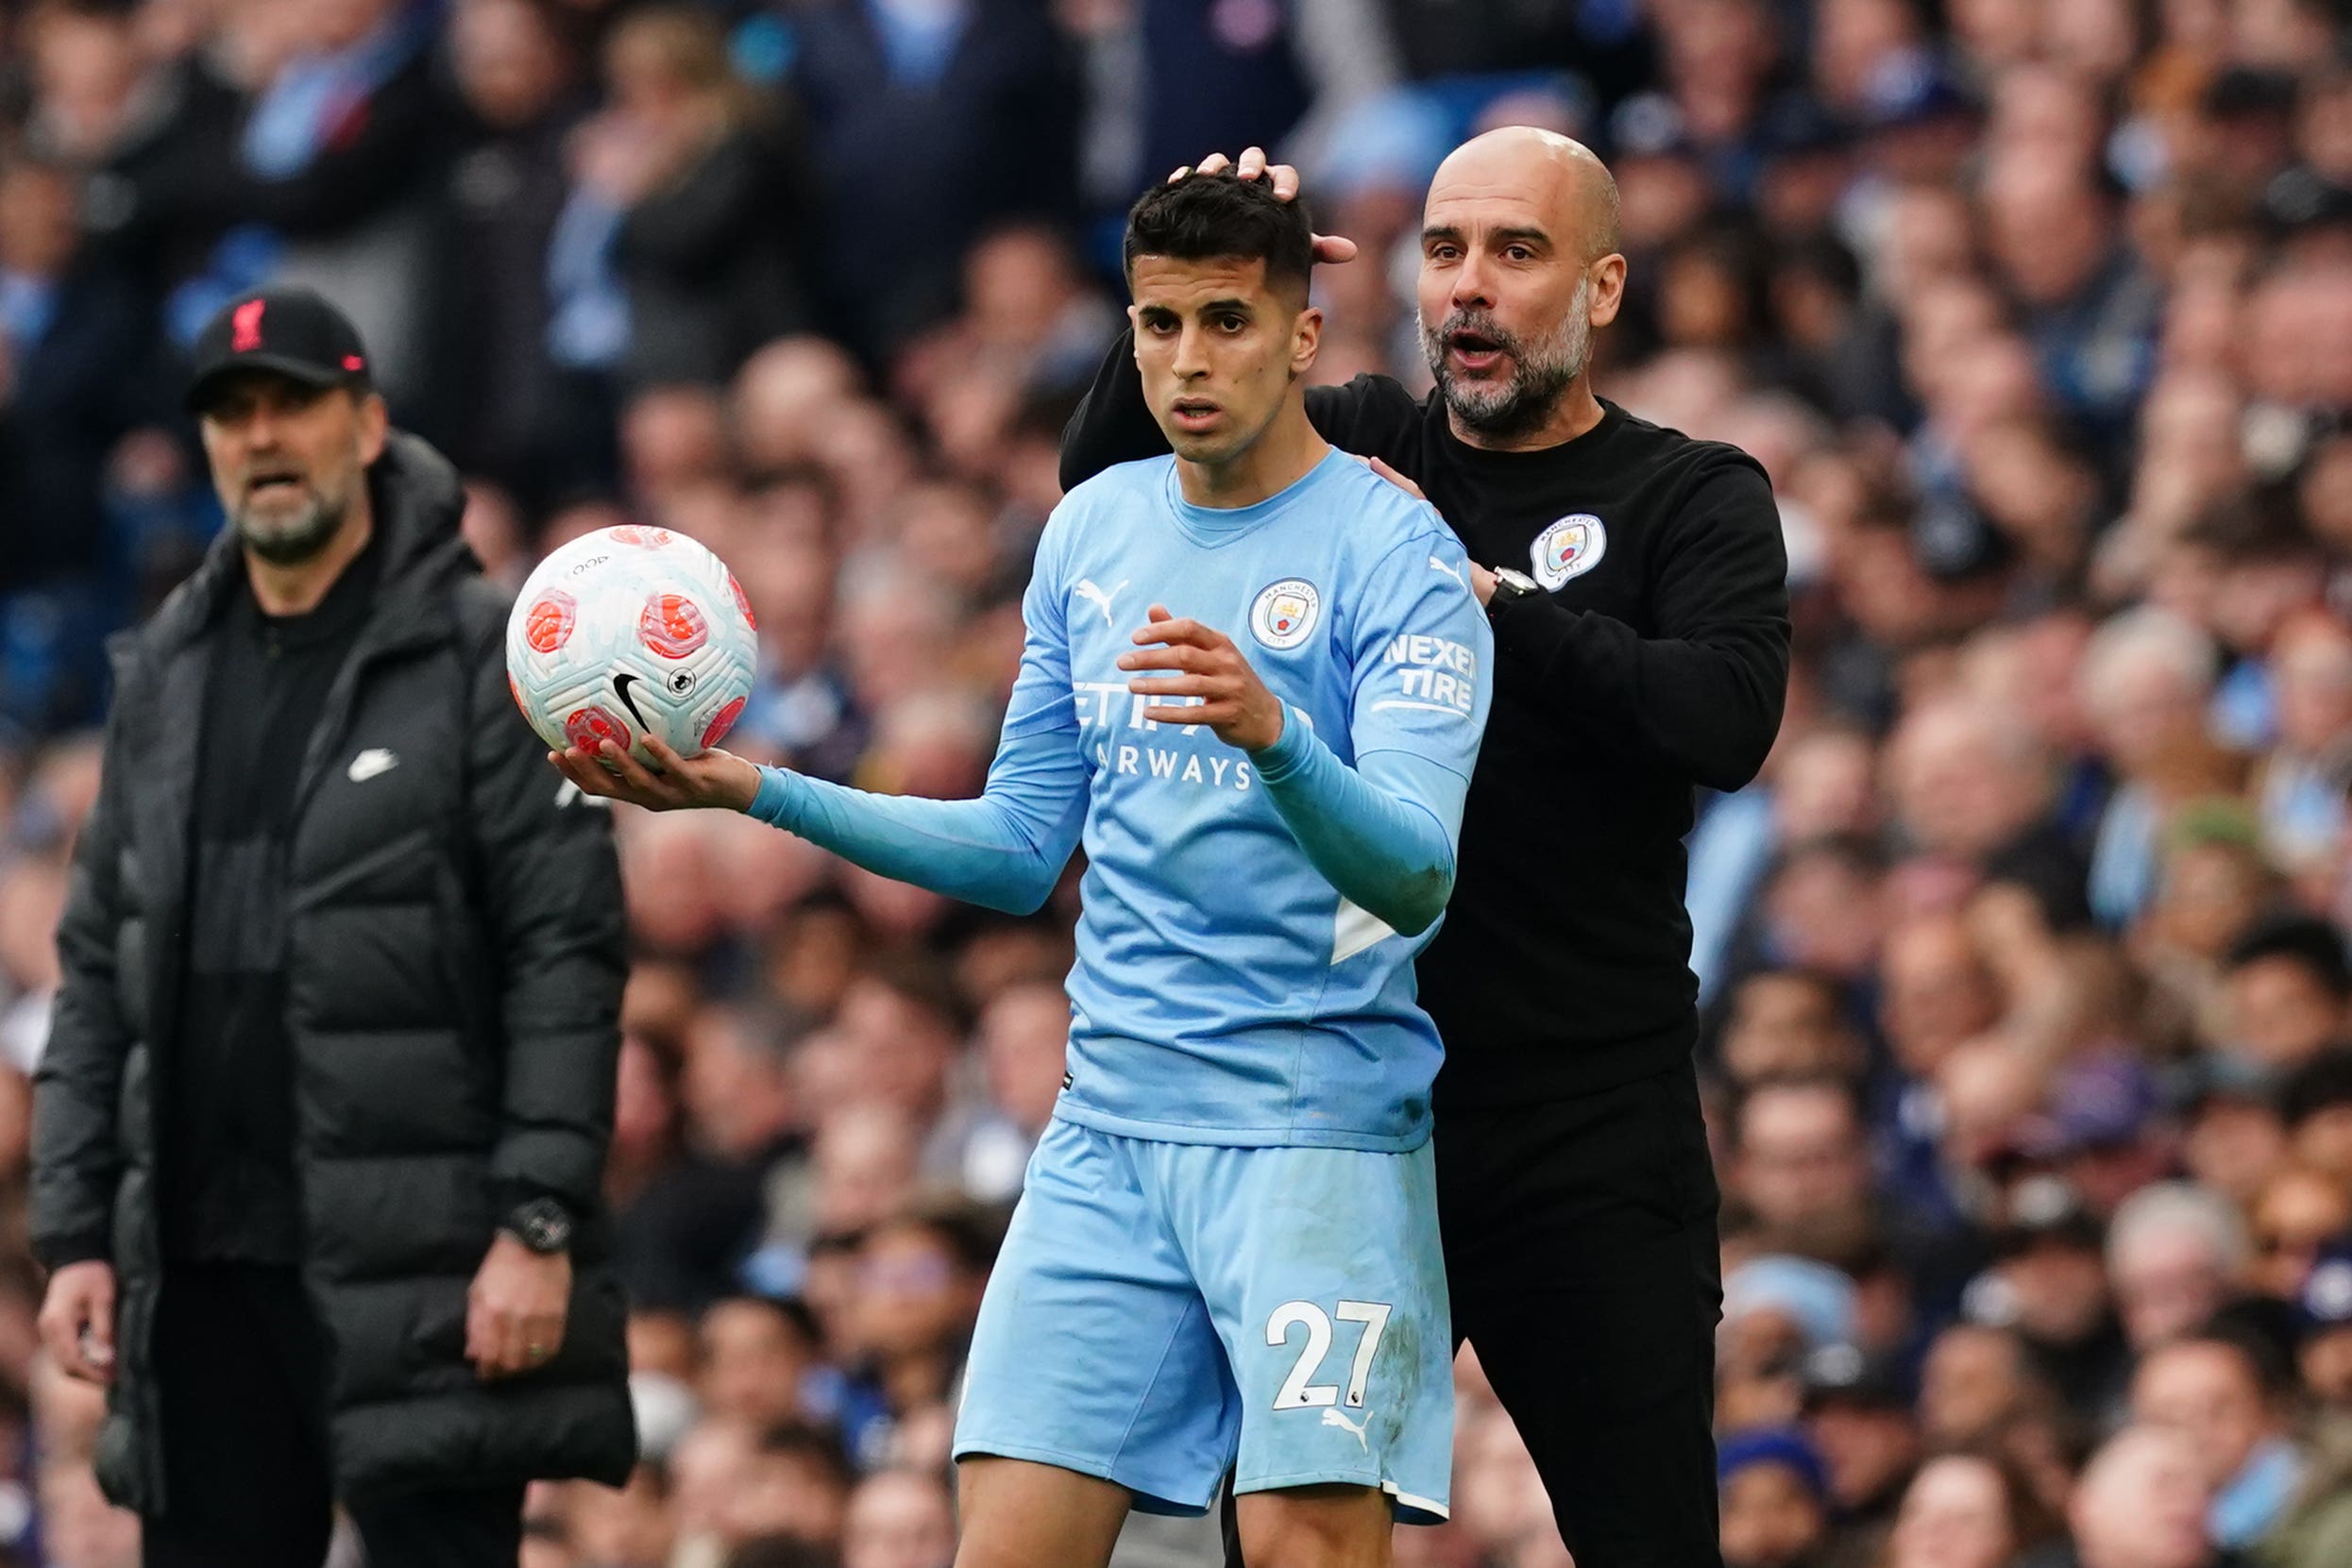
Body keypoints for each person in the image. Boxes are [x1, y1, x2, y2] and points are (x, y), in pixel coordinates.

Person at [554, 171, 1492, 1566]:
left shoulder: (1393, 550)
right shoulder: (1092, 530)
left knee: (1310, 1549)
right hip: (1109, 1130)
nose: (1188, 360)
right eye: (1161, 325)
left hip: (1314, 1139)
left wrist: (1276, 737)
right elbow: (1012, 848)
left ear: (1303, 336)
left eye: (1228, 322)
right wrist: (750, 787)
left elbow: (1417, 875)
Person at [1061, 131, 1792, 1566]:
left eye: (1516, 254)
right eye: (1445, 248)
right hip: (1348, 1121)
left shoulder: (1689, 493)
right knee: (1271, 1540)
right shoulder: (1364, 442)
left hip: (1587, 1128)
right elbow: (1113, 472)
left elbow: (1722, 714)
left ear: (1602, 288)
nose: (1468, 286)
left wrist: (1480, 596)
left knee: (1649, 1538)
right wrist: (1207, 272)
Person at [29, 288, 635, 1566]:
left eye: (292, 403)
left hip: (425, 1264)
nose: (262, 438)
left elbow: (563, 954)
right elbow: (97, 971)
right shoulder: (165, 674)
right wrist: (78, 1231)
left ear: (365, 422)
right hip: (195, 1271)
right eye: (232, 413)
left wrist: (538, 1224)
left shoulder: (490, 655)